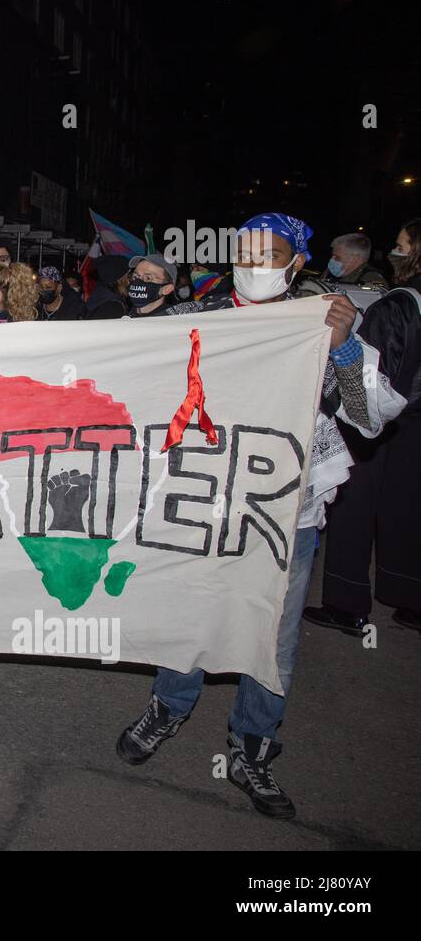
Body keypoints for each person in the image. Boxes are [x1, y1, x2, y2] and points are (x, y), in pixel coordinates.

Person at [117, 212, 405, 819]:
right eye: (244, 251)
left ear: (296, 263)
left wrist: (346, 350)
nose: (254, 263)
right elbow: (123, 366)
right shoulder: (200, 316)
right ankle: (168, 708)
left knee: (274, 636)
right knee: (192, 609)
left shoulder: (326, 322)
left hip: (287, 514)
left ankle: (252, 744)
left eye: (270, 253)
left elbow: (369, 416)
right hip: (204, 503)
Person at [305, 217, 421, 636]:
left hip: (387, 425)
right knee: (408, 512)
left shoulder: (397, 304)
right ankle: (411, 598)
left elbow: (373, 381)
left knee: (352, 511)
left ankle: (346, 602)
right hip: (414, 428)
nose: (394, 250)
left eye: (402, 244)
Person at [319, 232, 387, 289]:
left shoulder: (371, 280)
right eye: (332, 256)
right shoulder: (330, 274)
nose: (331, 260)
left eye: (337, 257)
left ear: (354, 259)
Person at [124, 253, 179, 318]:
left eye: (148, 278)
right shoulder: (121, 316)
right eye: (135, 276)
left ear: (167, 289)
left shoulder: (174, 321)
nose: (138, 281)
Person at [85, 255, 131, 320]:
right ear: (120, 279)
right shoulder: (113, 306)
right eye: (128, 275)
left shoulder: (101, 295)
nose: (130, 280)